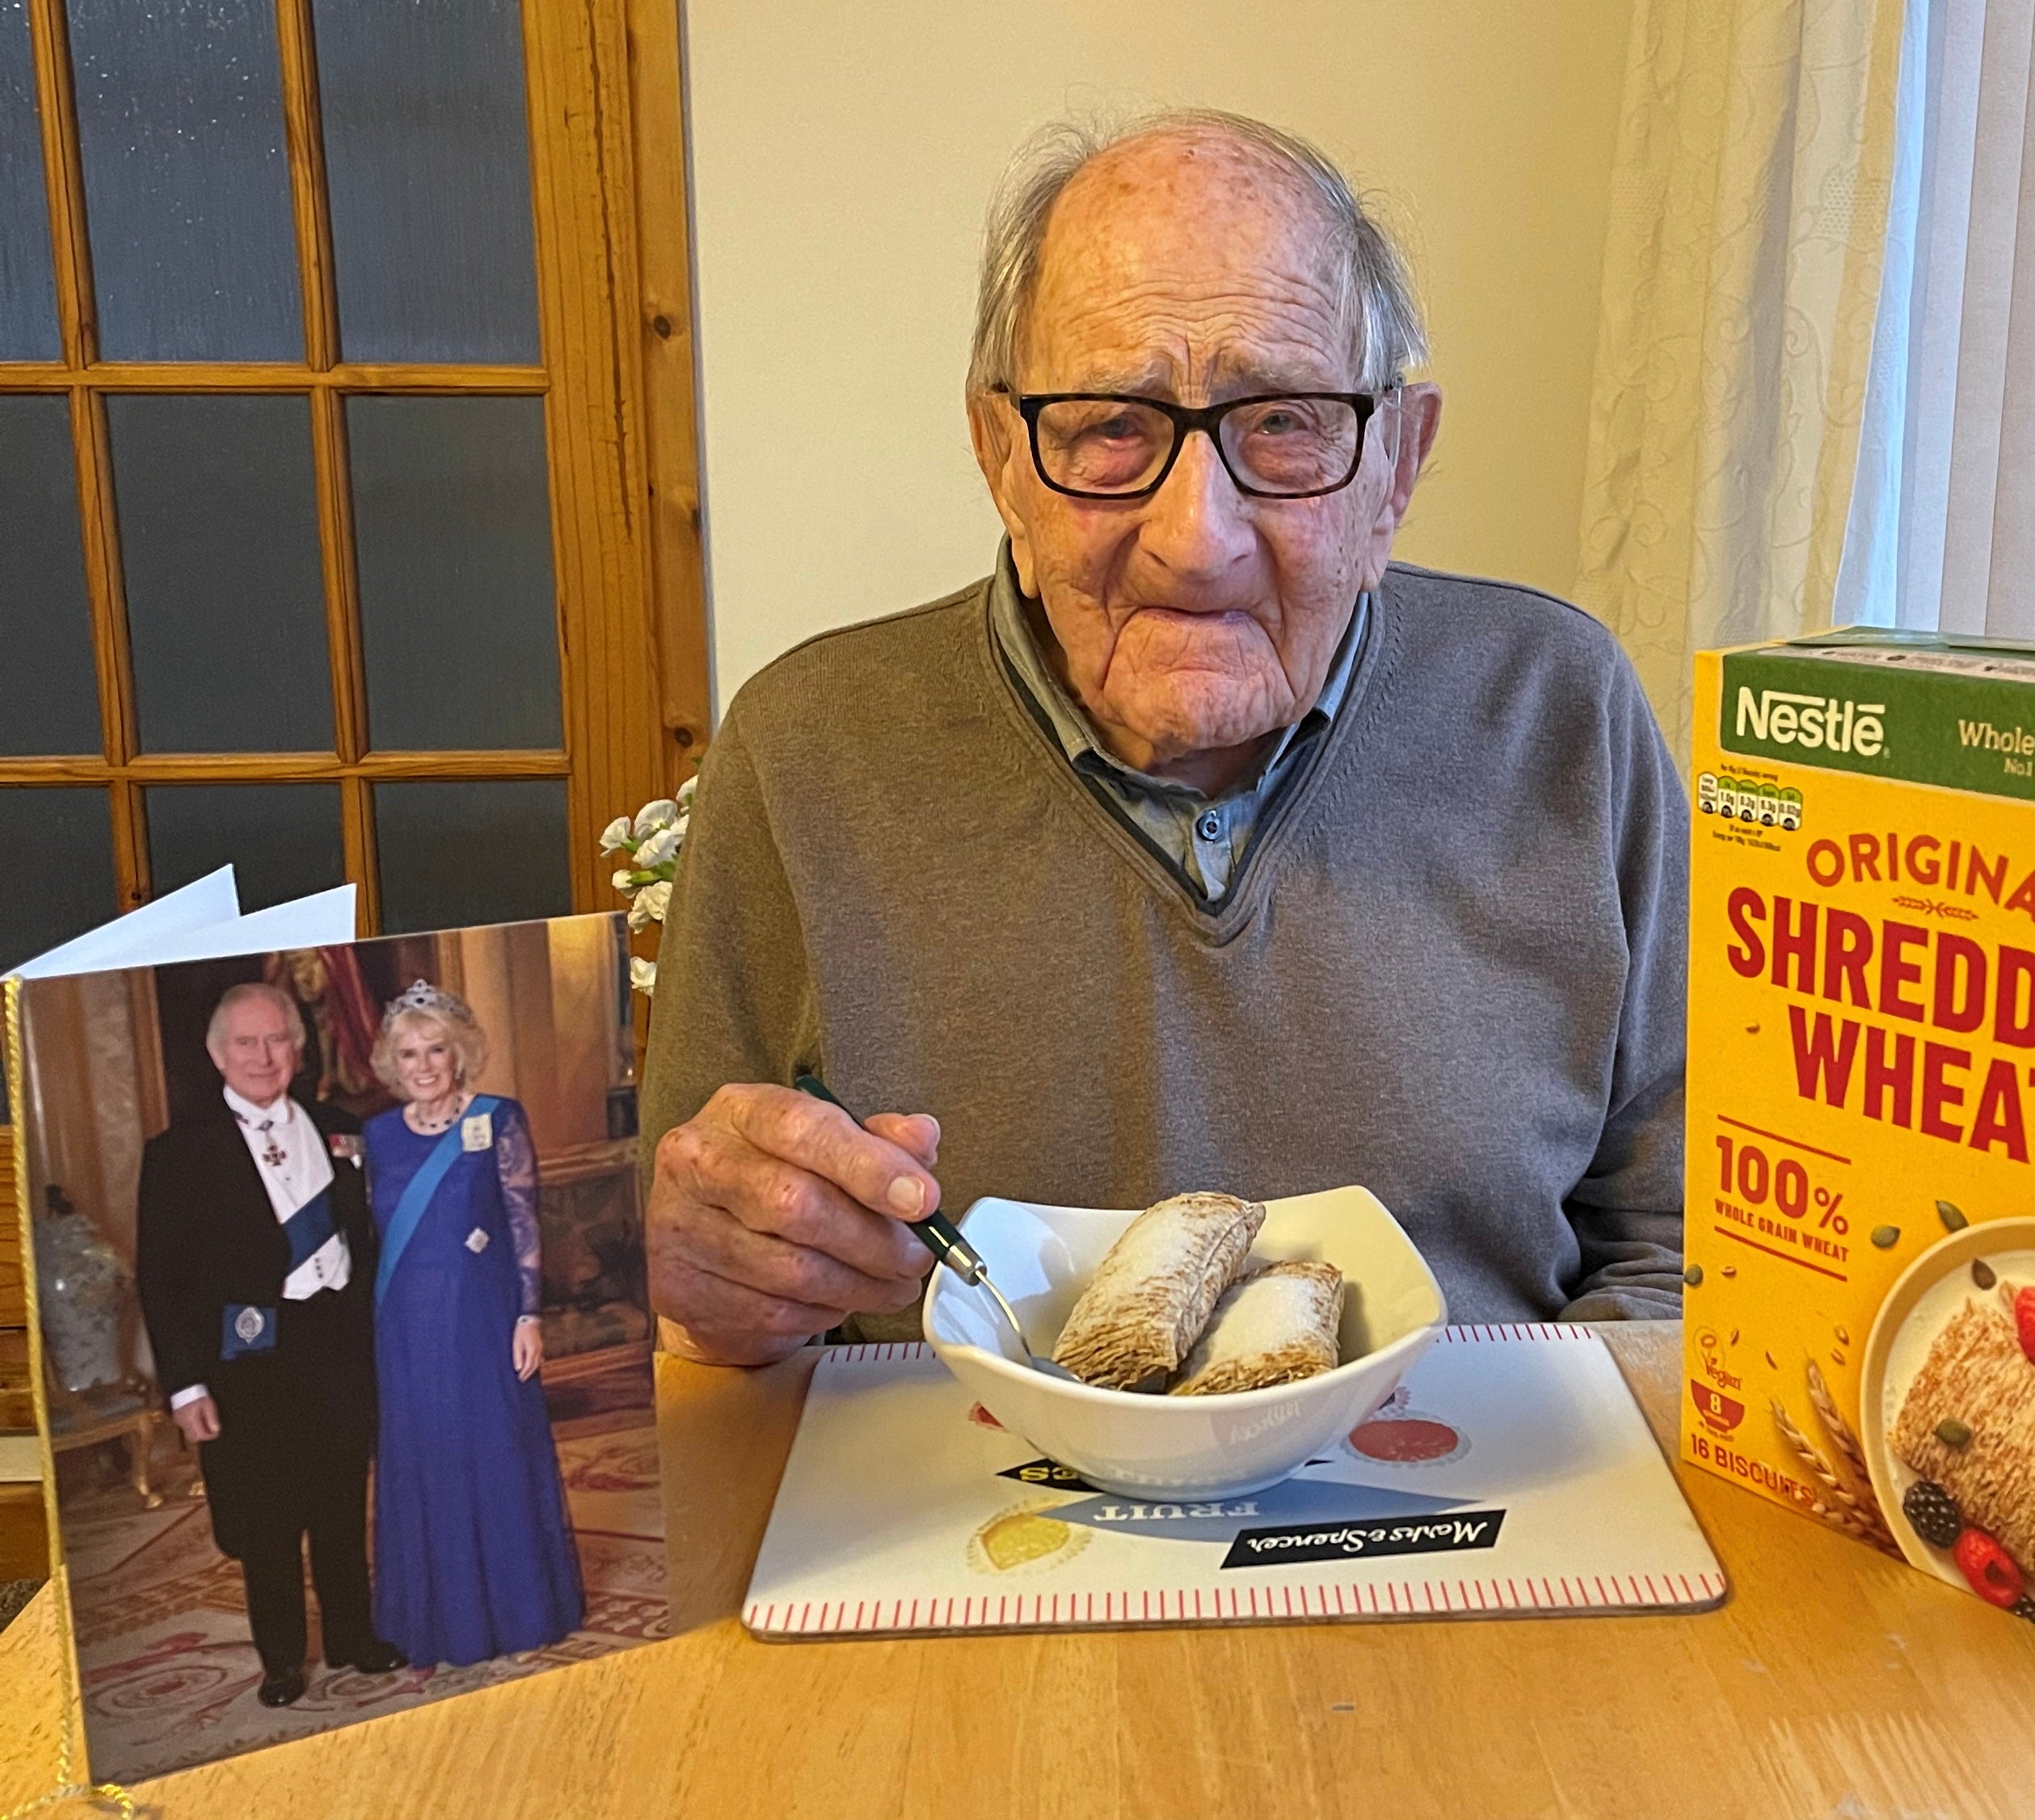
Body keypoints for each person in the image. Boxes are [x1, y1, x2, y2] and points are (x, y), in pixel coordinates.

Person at [642, 109, 1689, 1367]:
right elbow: (699, 1281)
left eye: (1286, 422)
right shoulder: (804, 751)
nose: (1198, 539)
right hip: (971, 1526)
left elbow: (1680, 1238)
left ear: (1397, 467)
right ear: (999, 457)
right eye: (1110, 425)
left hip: (1478, 1509)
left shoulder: (1559, 710)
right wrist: (718, 1285)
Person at [135, 983, 406, 1707]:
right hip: (248, 1362)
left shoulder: (340, 1127)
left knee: (344, 1504)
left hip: (337, 1347)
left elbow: (369, 1240)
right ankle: (283, 1659)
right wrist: (185, 1386)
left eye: (277, 1039)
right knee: (268, 1520)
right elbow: (160, 1279)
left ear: (298, 1046)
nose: (264, 1055)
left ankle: (353, 1636)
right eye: (247, 1043)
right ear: (218, 1054)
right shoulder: (178, 1153)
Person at [361, 980, 585, 1666]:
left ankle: (518, 1610)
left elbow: (522, 1222)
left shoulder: (498, 1119)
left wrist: (529, 1314)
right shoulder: (375, 1137)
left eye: (436, 1050)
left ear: (459, 1054)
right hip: (404, 1327)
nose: (424, 1066)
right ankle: (437, 1621)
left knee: (493, 1449)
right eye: (409, 1054)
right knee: (424, 1456)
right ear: (391, 1064)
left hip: (485, 1319)